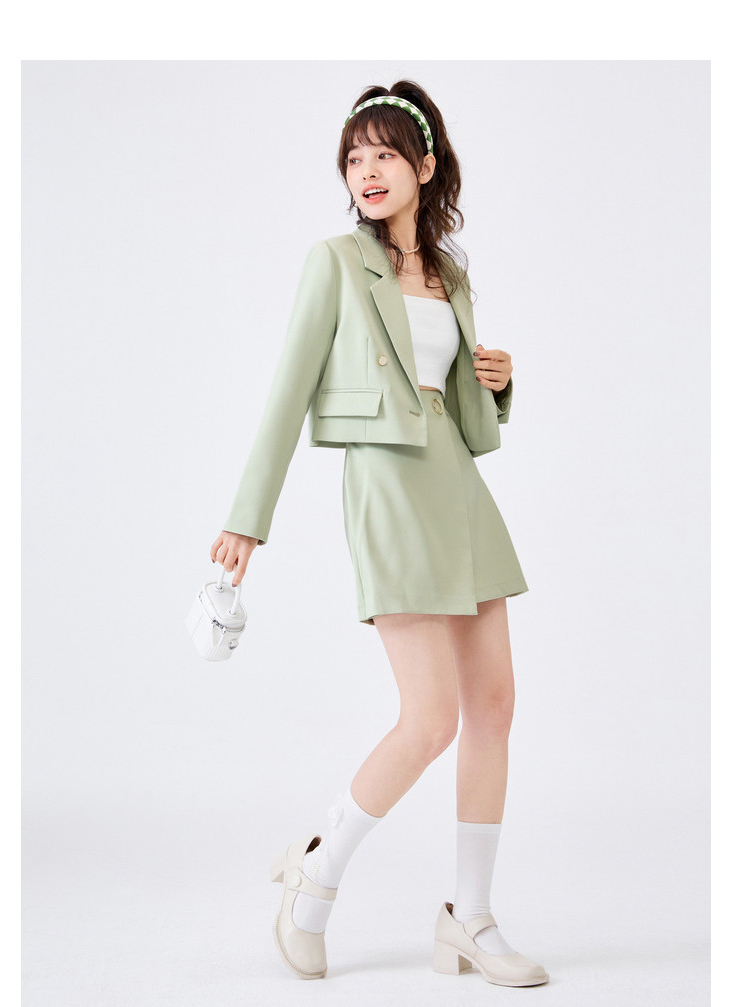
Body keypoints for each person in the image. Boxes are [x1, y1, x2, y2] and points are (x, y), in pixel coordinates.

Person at [210, 80, 549, 987]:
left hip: (459, 486)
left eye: (385, 154)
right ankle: (317, 871)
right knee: (430, 717)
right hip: (389, 489)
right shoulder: (334, 263)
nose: (367, 171)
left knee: (495, 705)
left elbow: (470, 421)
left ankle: (470, 918)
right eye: (354, 157)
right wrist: (248, 517)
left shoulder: (451, 277)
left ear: (425, 167)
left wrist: (498, 381)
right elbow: (288, 389)